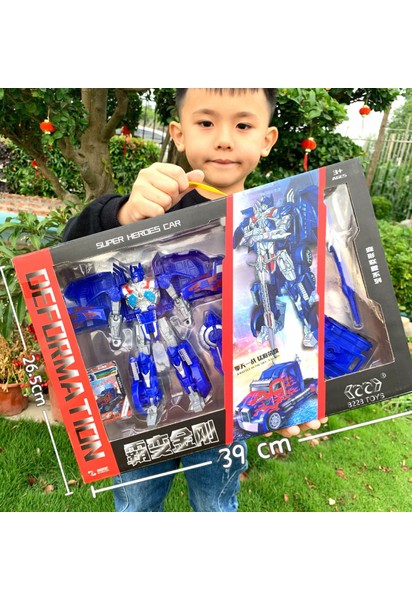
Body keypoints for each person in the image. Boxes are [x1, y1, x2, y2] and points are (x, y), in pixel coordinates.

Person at [63, 88, 326, 512]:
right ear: (178, 133)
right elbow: (69, 250)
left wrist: (295, 391)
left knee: (216, 504)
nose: (223, 139)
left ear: (267, 139)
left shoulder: (265, 220)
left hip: (224, 410)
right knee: (135, 503)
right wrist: (123, 214)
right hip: (147, 371)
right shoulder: (151, 209)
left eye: (243, 124)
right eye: (206, 122)